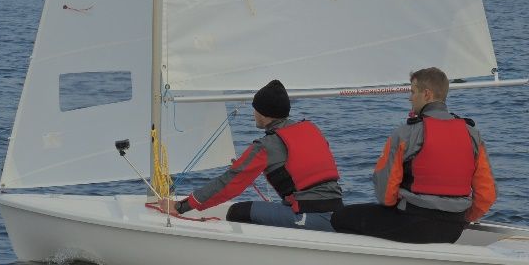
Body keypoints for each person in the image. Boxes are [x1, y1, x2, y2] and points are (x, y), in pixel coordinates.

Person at [331, 67, 496, 243]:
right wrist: (464, 218)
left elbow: (385, 194)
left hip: (414, 223)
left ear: (426, 94)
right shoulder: (472, 135)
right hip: (453, 229)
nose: (410, 97)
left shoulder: (406, 133)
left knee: (340, 217)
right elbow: (487, 195)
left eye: (412, 91)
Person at [161, 80, 343, 231]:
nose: (253, 113)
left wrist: (180, 207)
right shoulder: (312, 129)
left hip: (308, 216)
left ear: (263, 114)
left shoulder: (265, 146)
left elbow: (228, 184)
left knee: (237, 212)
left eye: (255, 108)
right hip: (336, 211)